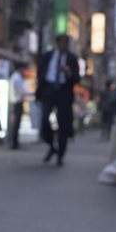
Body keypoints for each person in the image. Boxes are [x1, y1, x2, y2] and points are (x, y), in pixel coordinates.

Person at [36, 35, 80, 165]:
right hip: (49, 90)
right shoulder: (49, 55)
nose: (62, 46)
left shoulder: (71, 58)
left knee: (63, 124)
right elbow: (41, 71)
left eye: (64, 44)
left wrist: (69, 73)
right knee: (44, 119)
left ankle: (60, 154)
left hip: (64, 91)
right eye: (60, 43)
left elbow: (77, 78)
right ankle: (51, 146)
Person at [9, 62, 28, 149]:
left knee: (16, 123)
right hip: (17, 101)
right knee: (16, 123)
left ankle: (14, 142)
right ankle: (14, 142)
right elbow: (21, 90)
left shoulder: (14, 76)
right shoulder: (17, 77)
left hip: (15, 101)